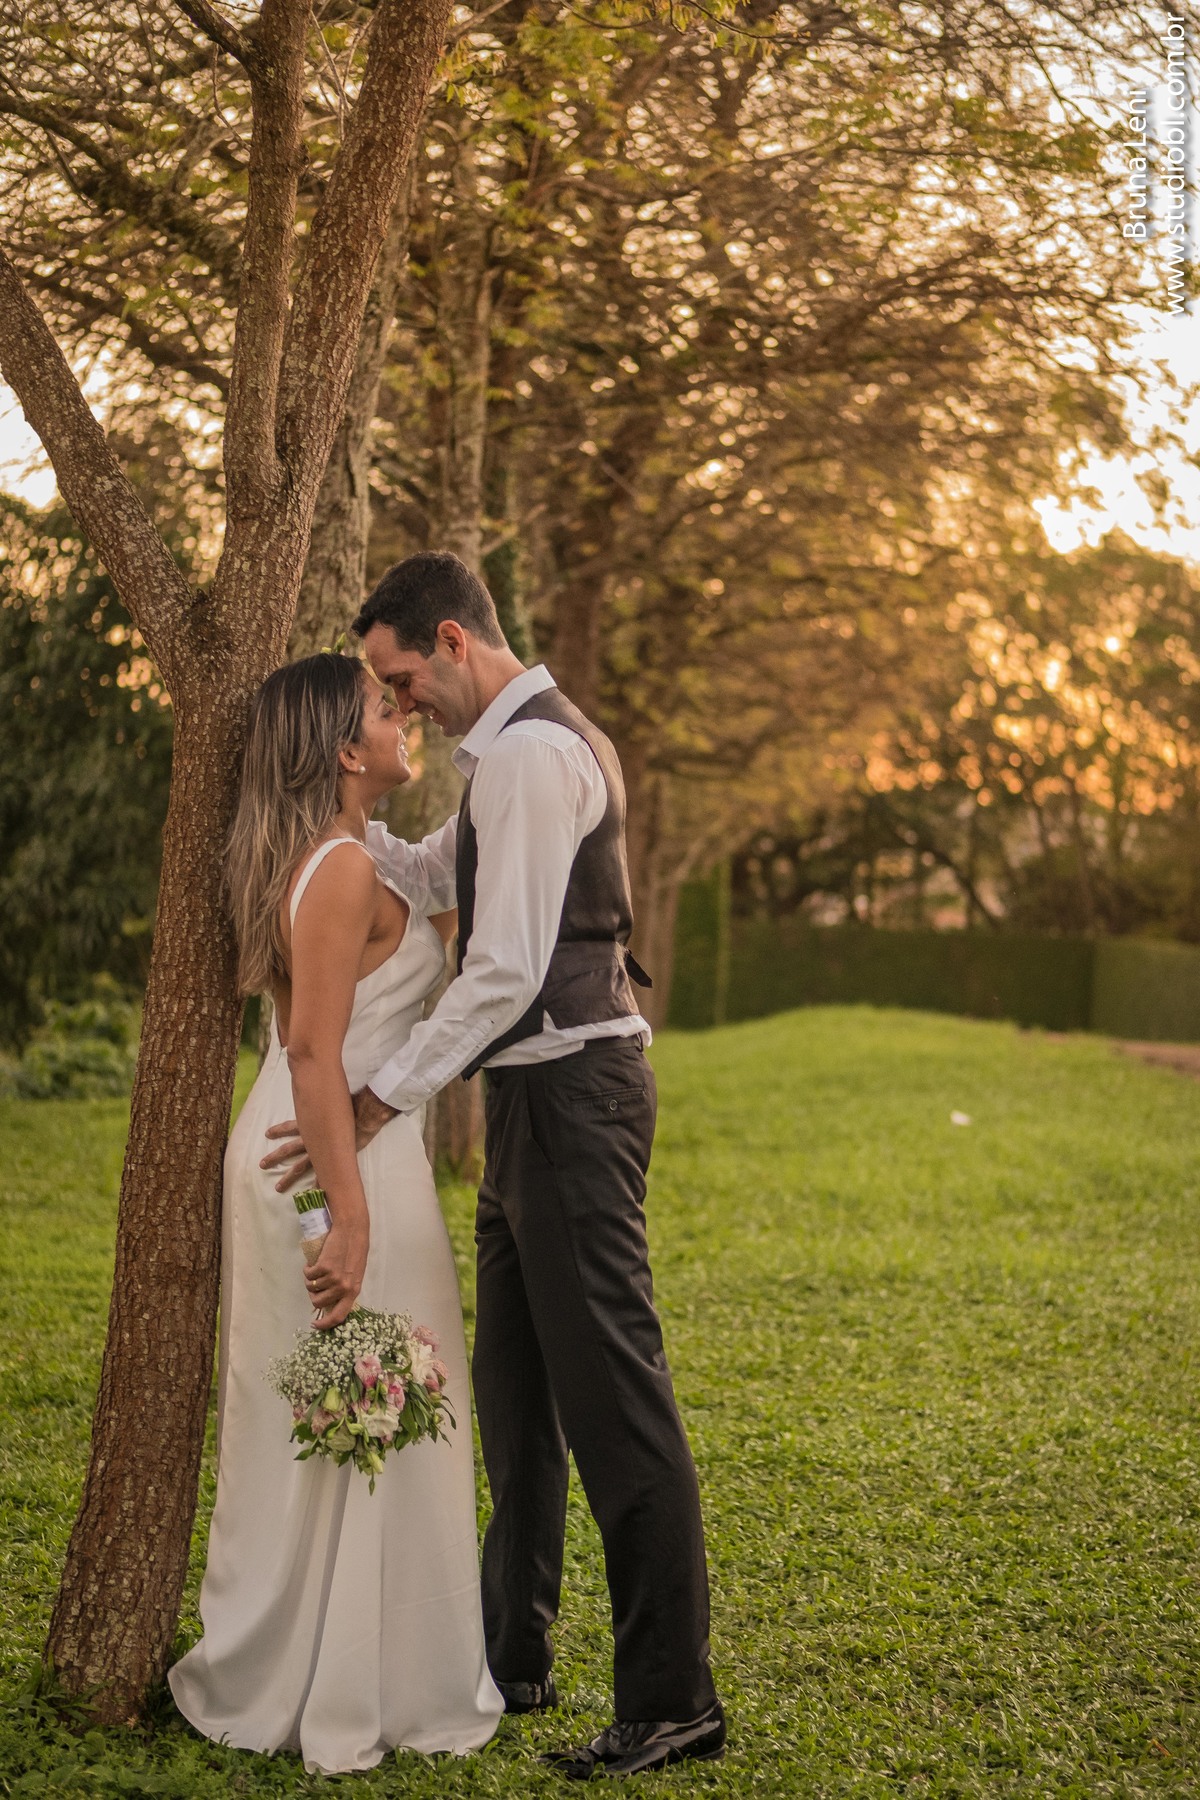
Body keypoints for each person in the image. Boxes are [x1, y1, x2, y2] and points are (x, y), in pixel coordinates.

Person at [263, 555, 725, 1779]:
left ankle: (673, 1697)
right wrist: (333, 831)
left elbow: (507, 967)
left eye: (398, 675)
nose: (399, 701)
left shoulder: (530, 757)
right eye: (382, 690)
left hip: (575, 1090)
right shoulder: (510, 759)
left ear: (453, 641)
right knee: (518, 1405)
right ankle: (511, 1654)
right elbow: (434, 881)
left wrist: (377, 1096)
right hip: (532, 1104)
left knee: (613, 1392)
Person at [168, 652, 503, 1775]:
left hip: (339, 1149)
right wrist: (348, 1216)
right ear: (343, 752)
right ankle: (323, 1676)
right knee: (340, 1411)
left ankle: (359, 1662)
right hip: (325, 1163)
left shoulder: (353, 856)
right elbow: (313, 1050)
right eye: (378, 707)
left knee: (354, 1414)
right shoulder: (340, 872)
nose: (399, 712)